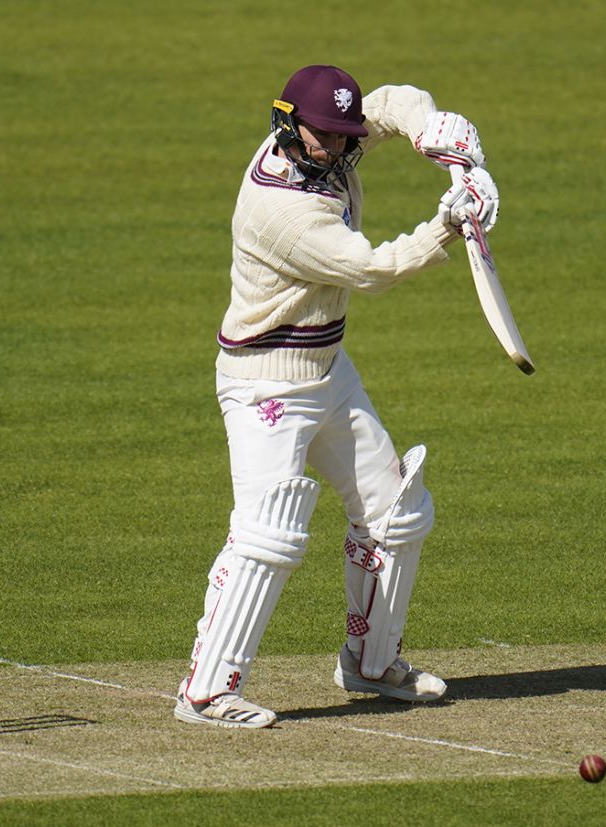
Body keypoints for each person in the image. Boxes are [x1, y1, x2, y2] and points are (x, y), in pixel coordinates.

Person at [174, 65, 499, 728]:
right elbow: (370, 268)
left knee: (398, 510)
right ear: (286, 121)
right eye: (321, 134)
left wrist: (436, 130)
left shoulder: (336, 139)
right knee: (270, 534)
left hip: (326, 366)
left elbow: (384, 105)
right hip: (265, 382)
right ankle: (205, 692)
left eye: (340, 135)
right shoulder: (280, 208)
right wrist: (446, 226)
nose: (334, 146)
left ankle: (371, 662)